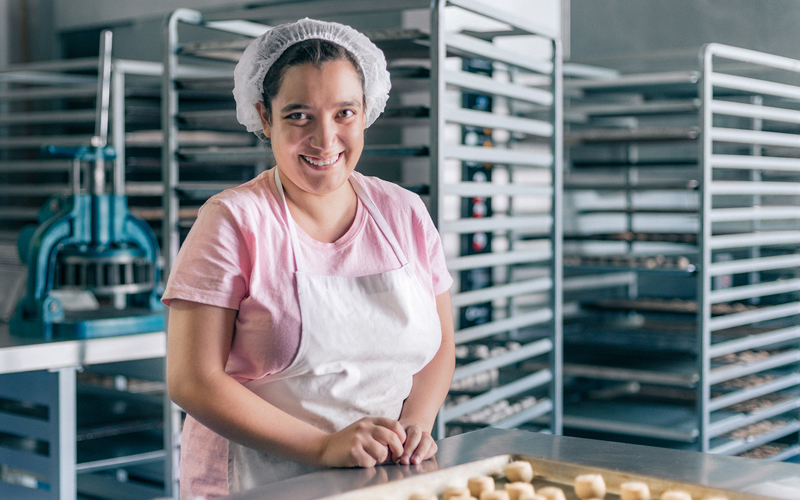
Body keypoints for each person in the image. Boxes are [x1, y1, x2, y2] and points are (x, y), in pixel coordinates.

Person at [163, 18, 455, 498]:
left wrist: (417, 423)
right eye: (299, 115)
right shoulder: (234, 220)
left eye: (344, 113)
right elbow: (192, 381)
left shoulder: (403, 212)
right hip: (256, 482)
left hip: (377, 480)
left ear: (366, 114)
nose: (325, 139)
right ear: (264, 117)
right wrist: (323, 448)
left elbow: (441, 346)